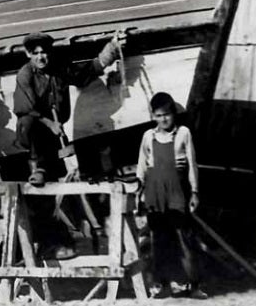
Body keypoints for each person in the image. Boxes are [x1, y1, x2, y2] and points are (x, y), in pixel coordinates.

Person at [12, 31, 123, 260]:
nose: (42, 57)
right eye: (36, 54)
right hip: (33, 132)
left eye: (45, 52)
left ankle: (53, 241)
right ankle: (37, 169)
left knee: (50, 192)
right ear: (28, 55)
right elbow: (26, 108)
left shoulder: (57, 68)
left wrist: (111, 50)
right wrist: (51, 123)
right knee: (28, 120)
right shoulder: (24, 74)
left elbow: (83, 76)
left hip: (53, 135)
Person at [136, 92, 206, 299]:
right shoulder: (148, 136)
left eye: (166, 114)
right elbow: (142, 166)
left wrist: (194, 192)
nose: (163, 119)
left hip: (178, 191)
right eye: (158, 115)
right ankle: (164, 285)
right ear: (153, 116)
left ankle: (194, 286)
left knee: (185, 239)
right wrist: (139, 191)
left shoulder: (183, 133)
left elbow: (192, 165)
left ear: (173, 114)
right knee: (159, 241)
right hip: (155, 193)